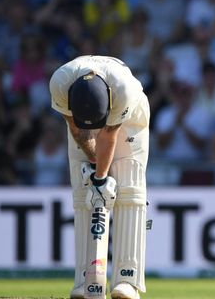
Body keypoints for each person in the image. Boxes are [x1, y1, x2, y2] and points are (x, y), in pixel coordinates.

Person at [49, 55, 150, 299]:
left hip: (130, 119)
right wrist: (93, 177)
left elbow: (108, 136)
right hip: (87, 123)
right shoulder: (60, 83)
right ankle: (85, 280)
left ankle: (127, 280)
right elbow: (77, 130)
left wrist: (101, 179)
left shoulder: (123, 89)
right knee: (84, 194)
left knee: (128, 190)